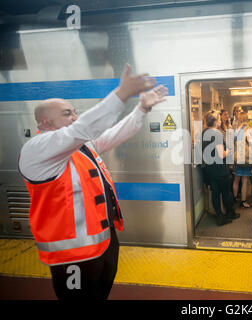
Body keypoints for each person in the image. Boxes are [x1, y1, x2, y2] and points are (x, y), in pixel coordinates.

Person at [18, 64, 168, 300]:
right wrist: (120, 95)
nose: (75, 117)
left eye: (74, 111)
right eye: (67, 113)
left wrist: (141, 108)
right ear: (45, 123)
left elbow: (114, 134)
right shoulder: (36, 151)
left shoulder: (81, 148)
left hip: (104, 244)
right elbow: (81, 128)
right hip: (73, 256)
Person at [202, 111, 240, 226]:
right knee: (226, 191)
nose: (220, 121)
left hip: (209, 168)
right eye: (218, 119)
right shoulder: (217, 134)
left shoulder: (204, 132)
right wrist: (228, 151)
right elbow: (221, 154)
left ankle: (219, 216)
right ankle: (229, 213)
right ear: (214, 122)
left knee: (215, 193)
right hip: (219, 168)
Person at [233, 111, 252, 208]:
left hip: (237, 157)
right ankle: (243, 201)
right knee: (245, 180)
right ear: (247, 119)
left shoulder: (236, 130)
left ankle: (233, 199)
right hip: (246, 157)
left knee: (236, 179)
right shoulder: (249, 130)